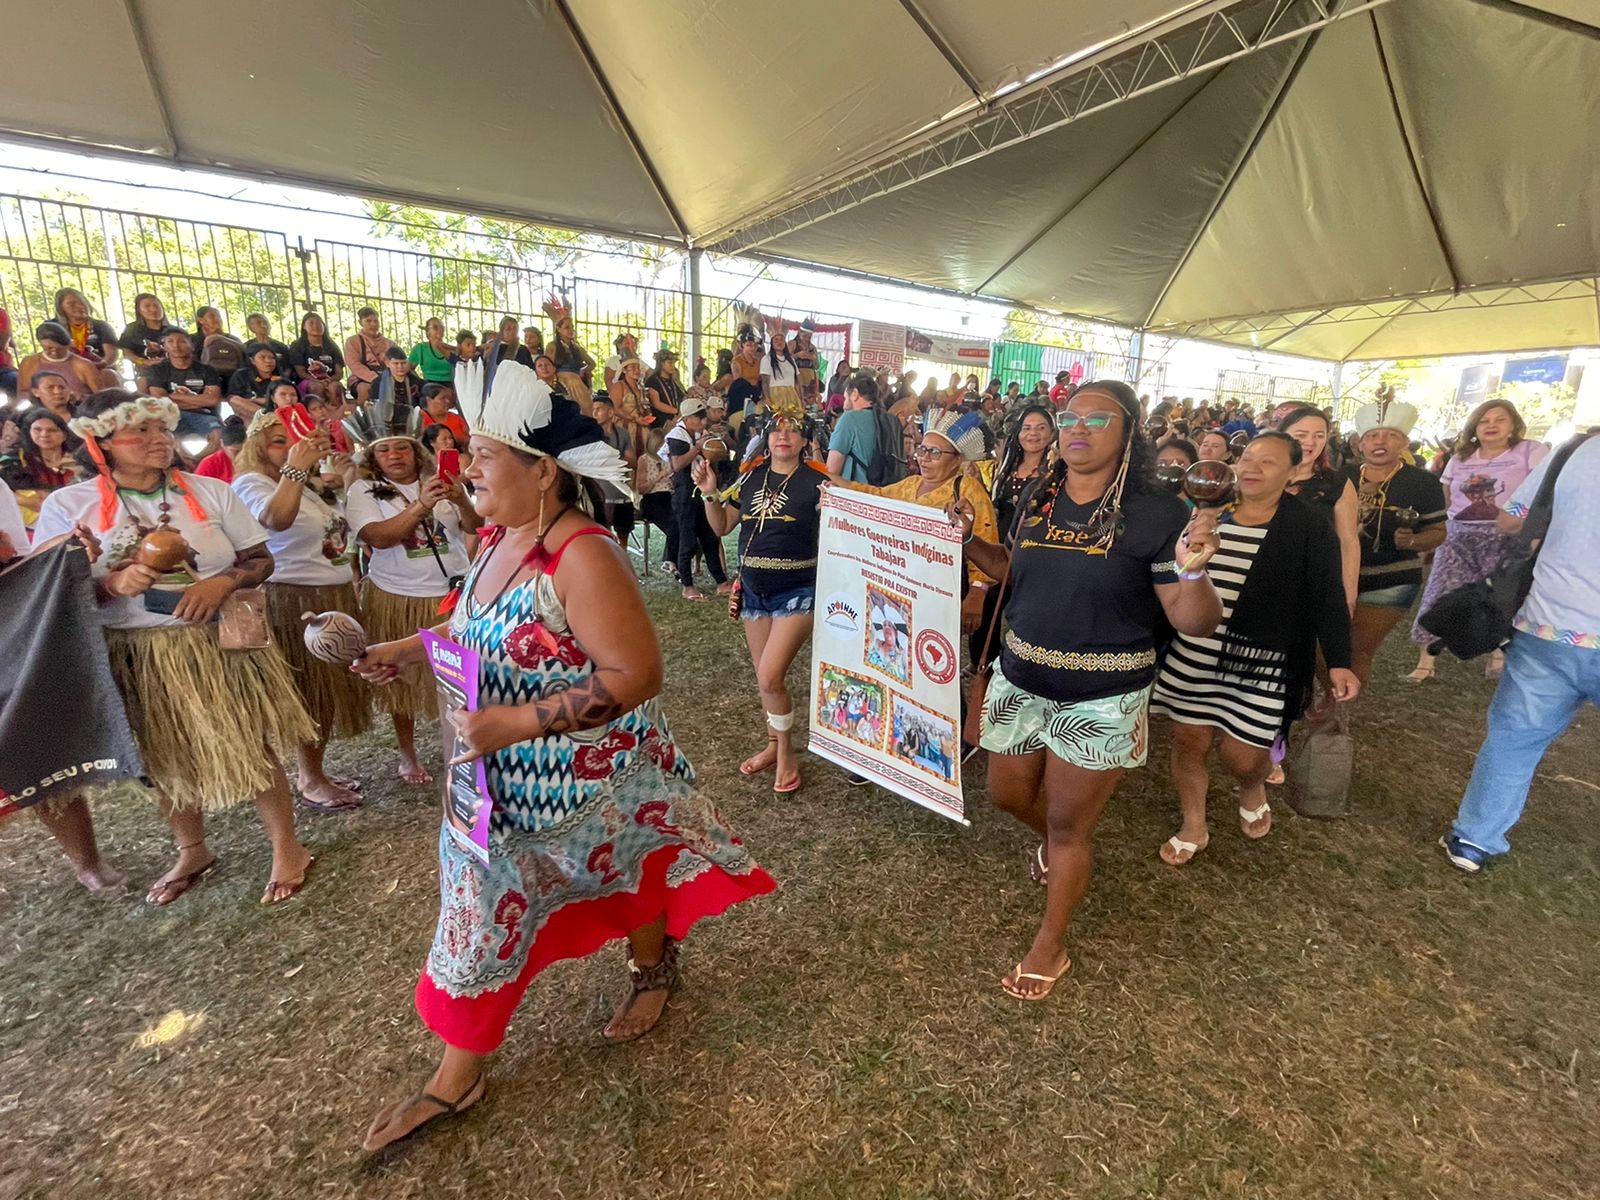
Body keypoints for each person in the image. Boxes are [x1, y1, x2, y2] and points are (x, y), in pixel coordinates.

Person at [355, 360, 775, 1152]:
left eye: (483, 455)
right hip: (500, 787)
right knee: (480, 911)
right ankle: (461, 1071)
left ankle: (649, 971)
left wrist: (513, 724)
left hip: (597, 777)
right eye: (467, 453)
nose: (466, 467)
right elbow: (474, 628)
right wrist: (406, 648)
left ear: (542, 471)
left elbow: (636, 674)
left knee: (635, 860)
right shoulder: (497, 540)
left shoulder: (584, 554)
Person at [949, 381, 1222, 1000]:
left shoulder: (1157, 513)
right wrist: (968, 539)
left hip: (1102, 696)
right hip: (1021, 678)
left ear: (1129, 431)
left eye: (1096, 419)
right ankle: (1058, 848)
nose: (1077, 428)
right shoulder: (1040, 496)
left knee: (1071, 828)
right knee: (1005, 794)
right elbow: (1012, 568)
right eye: (1069, 417)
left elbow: (1192, 620)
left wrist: (1196, 571)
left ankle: (1051, 944)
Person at [32, 389, 319, 905]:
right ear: (101, 443)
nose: (157, 440)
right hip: (134, 648)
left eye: (161, 429)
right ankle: (192, 848)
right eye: (139, 432)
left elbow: (260, 558)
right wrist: (109, 584)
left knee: (250, 741)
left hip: (215, 641)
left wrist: (222, 583)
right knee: (161, 753)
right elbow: (52, 593)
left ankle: (287, 846)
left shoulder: (210, 491)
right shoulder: (68, 507)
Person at [1150, 433, 1359, 864]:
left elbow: (1328, 595)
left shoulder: (1307, 525)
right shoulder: (1208, 510)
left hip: (1263, 660)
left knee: (1243, 757)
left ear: (1294, 471)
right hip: (1197, 650)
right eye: (1247, 457)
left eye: (1268, 461)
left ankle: (1251, 786)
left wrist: (1339, 661)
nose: (1252, 467)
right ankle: (1194, 823)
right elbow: (1171, 573)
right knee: (1189, 740)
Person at [1439, 431, 1598, 873]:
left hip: (1550, 624)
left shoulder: (1575, 450)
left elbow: (1512, 520)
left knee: (1514, 739)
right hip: (1552, 625)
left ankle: (1475, 839)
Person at [232, 409, 368, 813]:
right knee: (310, 691)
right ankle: (309, 778)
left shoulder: (305, 485)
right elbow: (275, 519)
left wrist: (343, 480)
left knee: (324, 690)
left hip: (332, 594)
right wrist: (296, 469)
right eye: (279, 442)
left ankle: (315, 771)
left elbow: (333, 533)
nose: (291, 447)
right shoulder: (250, 483)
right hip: (294, 598)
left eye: (292, 440)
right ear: (258, 447)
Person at [694, 400, 828, 794]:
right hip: (753, 590)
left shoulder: (818, 481)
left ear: (804, 439)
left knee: (771, 676)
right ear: (766, 438)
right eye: (775, 429)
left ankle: (785, 754)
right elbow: (720, 527)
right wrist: (709, 493)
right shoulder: (749, 479)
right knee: (764, 679)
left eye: (792, 429)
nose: (783, 435)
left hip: (798, 591)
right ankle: (772, 744)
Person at [346, 413, 475, 784]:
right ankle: (407, 754)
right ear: (373, 458)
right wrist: (421, 504)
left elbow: (472, 526)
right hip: (398, 595)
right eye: (383, 450)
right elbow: (379, 537)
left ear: (416, 451)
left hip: (449, 592)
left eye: (401, 446)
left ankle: (464, 740)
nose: (394, 455)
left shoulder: (438, 481)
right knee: (400, 681)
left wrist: (460, 498)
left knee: (458, 676)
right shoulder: (363, 491)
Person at [1407, 398, 1546, 683]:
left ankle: (1497, 657)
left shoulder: (1530, 451)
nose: (1491, 425)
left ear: (1514, 425)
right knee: (1438, 594)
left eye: (1500, 419)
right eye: (1484, 420)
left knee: (1501, 598)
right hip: (1459, 536)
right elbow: (1445, 499)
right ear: (1474, 427)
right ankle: (1425, 662)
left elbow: (1544, 494)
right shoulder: (1459, 458)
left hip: (1507, 537)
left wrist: (1534, 536)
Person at [850, 408, 1000, 639]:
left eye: (935, 452)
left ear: (957, 459)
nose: (925, 458)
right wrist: (834, 485)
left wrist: (977, 591)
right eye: (922, 449)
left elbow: (984, 537)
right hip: (902, 581)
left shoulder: (967, 488)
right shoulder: (911, 484)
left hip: (941, 588)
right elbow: (875, 496)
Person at [1346, 395, 1447, 686]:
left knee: (1357, 651)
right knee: (1320, 647)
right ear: (1360, 443)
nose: (1381, 441)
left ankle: (1336, 721)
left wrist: (1413, 541)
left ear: (1403, 443)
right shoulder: (1342, 477)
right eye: (1373, 436)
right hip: (1337, 576)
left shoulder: (1423, 483)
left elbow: (1438, 532)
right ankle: (1329, 704)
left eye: (1391, 436)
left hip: (1391, 579)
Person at [1277, 405, 1361, 612]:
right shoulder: (1258, 477)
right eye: (1301, 435)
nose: (1310, 442)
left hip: (1310, 586)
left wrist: (1348, 597)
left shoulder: (1337, 483)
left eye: (1319, 435)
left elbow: (1348, 542)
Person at [661, 397, 731, 601]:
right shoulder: (677, 435)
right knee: (688, 540)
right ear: (687, 418)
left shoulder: (699, 433)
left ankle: (721, 582)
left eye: (703, 417)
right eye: (698, 418)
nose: (703, 421)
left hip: (700, 492)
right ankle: (687, 585)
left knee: (710, 538)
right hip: (685, 495)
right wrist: (698, 447)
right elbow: (677, 464)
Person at [1, 408, 80, 530]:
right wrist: (26, 500)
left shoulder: (79, 464)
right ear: (29, 433)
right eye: (37, 430)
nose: (44, 434)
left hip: (75, 524)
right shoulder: (13, 460)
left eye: (52, 430)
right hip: (27, 531)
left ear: (64, 435)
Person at [140, 328, 225, 441]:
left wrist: (174, 397)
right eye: (170, 341)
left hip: (204, 416)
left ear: (192, 346)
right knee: (166, 437)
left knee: (219, 436)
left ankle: (199, 459)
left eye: (182, 341)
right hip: (170, 416)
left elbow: (213, 399)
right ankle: (187, 459)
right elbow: (160, 400)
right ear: (164, 346)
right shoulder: (157, 370)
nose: (176, 345)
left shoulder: (207, 370)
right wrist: (199, 403)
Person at [17, 323, 102, 401]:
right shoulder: (30, 362)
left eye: (59, 348)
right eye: (48, 348)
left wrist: (79, 397)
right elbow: (23, 393)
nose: (54, 352)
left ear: (68, 345)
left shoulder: (83, 365)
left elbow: (102, 396)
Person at [825, 372, 881, 485]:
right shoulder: (889, 420)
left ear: (855, 394)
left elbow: (832, 470)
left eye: (845, 398)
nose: (844, 404)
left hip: (856, 494)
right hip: (884, 494)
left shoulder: (850, 418)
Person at [52, 288, 119, 374]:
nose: (79, 306)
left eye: (82, 302)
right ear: (61, 308)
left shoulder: (101, 326)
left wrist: (97, 366)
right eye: (71, 304)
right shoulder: (54, 327)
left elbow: (111, 354)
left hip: (100, 370)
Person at [288, 312, 348, 408]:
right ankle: (320, 415)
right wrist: (318, 381)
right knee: (316, 387)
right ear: (304, 326)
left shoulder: (332, 346)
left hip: (330, 380)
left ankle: (338, 416)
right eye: (311, 323)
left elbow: (339, 372)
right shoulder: (297, 346)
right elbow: (301, 372)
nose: (316, 326)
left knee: (335, 388)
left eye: (319, 323)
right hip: (307, 381)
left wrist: (330, 380)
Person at [545, 297, 594, 413]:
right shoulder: (553, 346)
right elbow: (547, 366)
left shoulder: (577, 348)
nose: (571, 330)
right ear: (558, 329)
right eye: (567, 327)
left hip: (577, 382)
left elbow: (592, 363)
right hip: (560, 382)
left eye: (572, 327)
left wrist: (583, 371)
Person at [344, 307, 398, 404]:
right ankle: (363, 417)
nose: (373, 324)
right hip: (361, 379)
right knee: (365, 389)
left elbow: (397, 362)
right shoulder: (353, 341)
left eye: (375, 321)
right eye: (368, 321)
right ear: (360, 322)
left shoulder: (390, 344)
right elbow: (354, 365)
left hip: (387, 378)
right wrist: (375, 379)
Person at [117, 294, 183, 366]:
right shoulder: (132, 329)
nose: (153, 309)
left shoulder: (176, 331)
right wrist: (144, 362)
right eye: (147, 306)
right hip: (147, 372)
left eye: (156, 306)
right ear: (139, 310)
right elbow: (127, 353)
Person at [718, 324, 764, 420]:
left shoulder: (759, 361)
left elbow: (761, 379)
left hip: (756, 395)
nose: (752, 348)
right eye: (749, 345)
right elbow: (738, 382)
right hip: (741, 395)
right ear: (742, 345)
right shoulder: (736, 361)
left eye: (755, 345)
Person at [227, 345, 285, 420]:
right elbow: (233, 400)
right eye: (262, 357)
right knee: (234, 399)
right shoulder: (242, 375)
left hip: (275, 411)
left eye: (272, 358)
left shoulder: (280, 378)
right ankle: (267, 417)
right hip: (250, 412)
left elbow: (280, 400)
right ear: (252, 360)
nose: (268, 361)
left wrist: (253, 400)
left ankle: (269, 418)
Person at [644, 347, 685, 434]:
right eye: (670, 363)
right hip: (661, 421)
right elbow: (657, 404)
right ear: (661, 364)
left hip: (677, 418)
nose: (673, 366)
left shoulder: (673, 380)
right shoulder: (653, 381)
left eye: (673, 363)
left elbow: (683, 395)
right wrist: (677, 412)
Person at [193, 416, 247, 483]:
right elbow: (196, 489)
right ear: (222, 444)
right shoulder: (210, 463)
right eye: (235, 452)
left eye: (244, 450)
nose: (241, 455)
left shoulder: (256, 459)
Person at [760, 325, 801, 410]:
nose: (779, 342)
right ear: (772, 343)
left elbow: (797, 381)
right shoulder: (767, 359)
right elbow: (765, 381)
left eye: (782, 340)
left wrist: (800, 397)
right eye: (776, 340)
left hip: (792, 394)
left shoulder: (791, 360)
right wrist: (767, 398)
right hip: (775, 394)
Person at [409, 318, 457, 384]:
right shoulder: (420, 348)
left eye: (442, 327)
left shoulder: (451, 349)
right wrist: (420, 382)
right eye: (435, 327)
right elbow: (409, 369)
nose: (440, 330)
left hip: (450, 385)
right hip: (429, 386)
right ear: (428, 331)